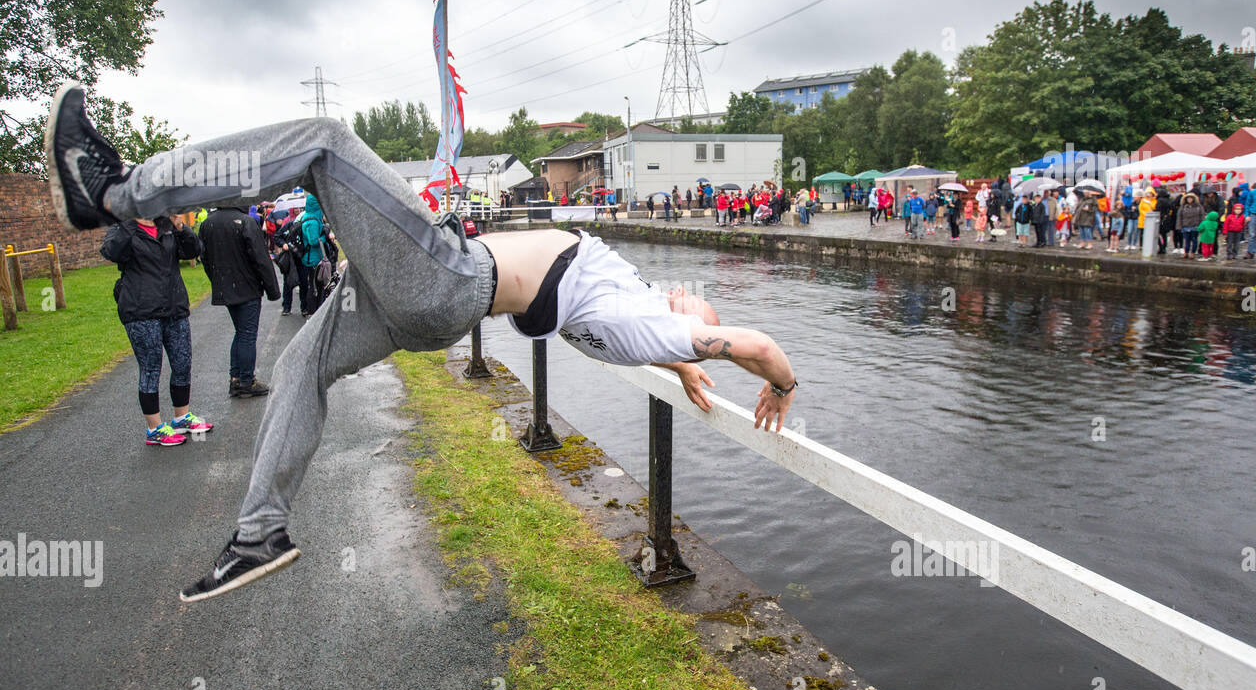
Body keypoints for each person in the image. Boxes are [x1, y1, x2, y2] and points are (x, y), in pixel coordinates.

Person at [46, 82, 801, 601]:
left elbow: (753, 345)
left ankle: (112, 191)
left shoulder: (653, 324)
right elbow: (660, 333)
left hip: (443, 281)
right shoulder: (646, 321)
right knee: (298, 367)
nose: (685, 300)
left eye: (691, 312)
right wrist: (687, 356)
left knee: (325, 141)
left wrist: (773, 378)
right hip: (412, 299)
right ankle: (259, 535)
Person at [100, 211, 213, 446]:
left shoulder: (167, 226)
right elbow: (112, 252)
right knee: (151, 368)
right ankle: (154, 428)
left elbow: (193, 251)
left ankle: (181, 416)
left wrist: (181, 227)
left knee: (182, 363)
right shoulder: (122, 228)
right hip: (141, 310)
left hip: (174, 306)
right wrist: (130, 224)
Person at [199, 204, 282, 398]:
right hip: (247, 286)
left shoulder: (207, 223)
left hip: (226, 285)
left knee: (241, 332)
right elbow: (261, 258)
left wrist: (216, 280)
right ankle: (246, 380)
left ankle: (236, 378)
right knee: (247, 334)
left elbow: (205, 256)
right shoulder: (246, 222)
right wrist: (272, 290)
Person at [1176, 191, 1204, 259]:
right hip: (1185, 226)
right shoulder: (1183, 207)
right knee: (1187, 240)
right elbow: (1179, 217)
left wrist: (1201, 225)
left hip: (1195, 226)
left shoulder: (1198, 206)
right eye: (1188, 198)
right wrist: (1179, 226)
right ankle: (1186, 252)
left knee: (1194, 240)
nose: (1189, 200)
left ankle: (1193, 253)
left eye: (1191, 198)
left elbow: (1202, 216)